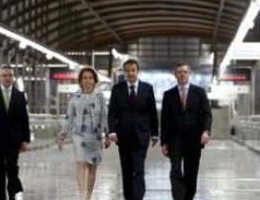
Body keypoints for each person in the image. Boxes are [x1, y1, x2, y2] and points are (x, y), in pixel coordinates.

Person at [108, 59, 159, 200]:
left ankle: (138, 197)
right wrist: (112, 131)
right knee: (127, 170)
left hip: (141, 135)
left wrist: (155, 133)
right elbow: (112, 112)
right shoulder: (117, 89)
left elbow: (152, 112)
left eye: (133, 70)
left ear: (137, 71)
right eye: (128, 70)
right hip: (123, 136)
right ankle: (129, 197)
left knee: (138, 168)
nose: (130, 73)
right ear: (124, 72)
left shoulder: (147, 88)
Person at [161, 63, 212, 200]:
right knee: (175, 170)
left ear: (189, 74)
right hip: (174, 139)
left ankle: (188, 197)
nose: (182, 74)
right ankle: (178, 197)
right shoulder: (168, 95)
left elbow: (207, 113)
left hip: (194, 139)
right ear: (175, 75)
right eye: (179, 72)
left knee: (191, 172)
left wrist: (206, 131)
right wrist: (164, 142)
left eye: (185, 72)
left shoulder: (199, 92)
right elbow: (165, 120)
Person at [59, 67, 110, 200]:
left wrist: (108, 133)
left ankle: (89, 195)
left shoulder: (100, 96)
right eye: (85, 78)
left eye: (90, 78)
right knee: (81, 163)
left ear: (95, 80)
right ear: (81, 81)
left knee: (92, 166)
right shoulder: (74, 97)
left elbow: (104, 115)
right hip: (79, 134)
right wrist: (63, 133)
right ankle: (82, 194)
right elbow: (69, 116)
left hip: (96, 134)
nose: (88, 80)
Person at [0, 65, 30, 200]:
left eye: (10, 75)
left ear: (13, 77)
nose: (7, 78)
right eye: (4, 75)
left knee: (12, 169)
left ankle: (13, 194)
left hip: (14, 140)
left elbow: (24, 119)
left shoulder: (20, 96)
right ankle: (1, 197)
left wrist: (25, 140)